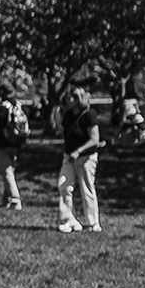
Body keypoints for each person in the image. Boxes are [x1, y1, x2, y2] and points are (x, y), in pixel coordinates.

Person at [57, 87, 104, 233]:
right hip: (69, 157)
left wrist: (78, 151)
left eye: (72, 97)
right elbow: (61, 128)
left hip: (86, 158)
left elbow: (95, 139)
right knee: (64, 186)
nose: (68, 99)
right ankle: (69, 221)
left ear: (79, 99)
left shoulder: (89, 115)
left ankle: (93, 223)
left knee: (87, 189)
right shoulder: (69, 114)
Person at [0, 85, 26, 210]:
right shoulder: (18, 105)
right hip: (16, 141)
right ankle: (6, 200)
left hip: (2, 143)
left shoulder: (2, 108)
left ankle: (16, 199)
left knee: (6, 172)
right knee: (9, 171)